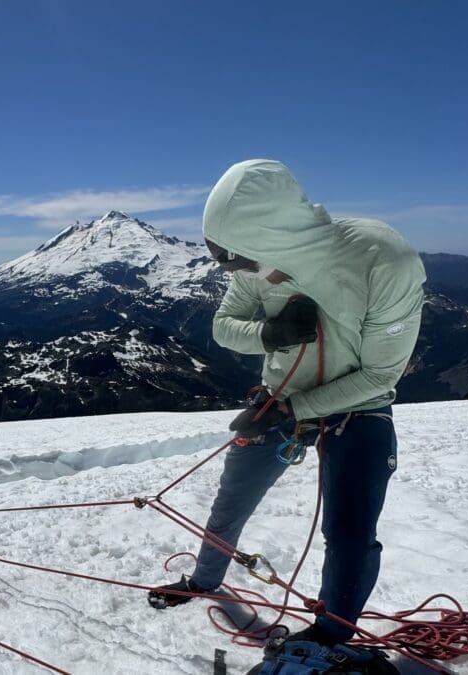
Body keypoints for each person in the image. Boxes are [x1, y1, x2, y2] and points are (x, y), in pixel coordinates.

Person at [149, 159, 426, 647]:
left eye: (238, 260)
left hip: (356, 406)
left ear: (271, 235)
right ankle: (205, 580)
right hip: (280, 399)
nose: (239, 270)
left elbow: (382, 373)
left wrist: (292, 410)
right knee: (230, 503)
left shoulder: (382, 258)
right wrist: (269, 334)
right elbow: (223, 325)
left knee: (349, 532)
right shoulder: (255, 258)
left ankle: (328, 640)